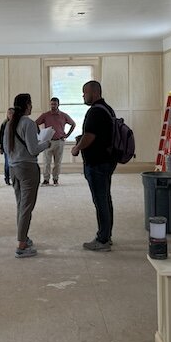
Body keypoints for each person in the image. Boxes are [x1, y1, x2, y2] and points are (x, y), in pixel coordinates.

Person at [71, 81, 117, 252]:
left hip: (97, 163)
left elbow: (90, 136)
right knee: (105, 198)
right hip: (107, 160)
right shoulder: (107, 108)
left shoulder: (95, 111)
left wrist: (77, 148)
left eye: (85, 92)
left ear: (95, 93)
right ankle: (107, 235)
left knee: (100, 201)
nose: (83, 95)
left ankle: (103, 239)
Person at [3, 93, 51, 258]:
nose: (32, 106)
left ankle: (23, 237)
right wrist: (46, 143)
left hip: (13, 167)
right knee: (26, 207)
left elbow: (6, 148)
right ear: (26, 105)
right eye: (30, 104)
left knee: (20, 205)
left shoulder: (9, 124)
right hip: (27, 168)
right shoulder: (28, 123)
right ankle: (21, 246)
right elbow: (33, 149)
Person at [35, 97, 76, 186]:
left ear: (58, 104)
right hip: (48, 141)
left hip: (59, 141)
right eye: (51, 104)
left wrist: (67, 135)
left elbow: (73, 124)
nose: (53, 106)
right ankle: (46, 180)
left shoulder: (64, 115)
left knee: (57, 162)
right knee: (46, 162)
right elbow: (35, 123)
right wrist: (40, 134)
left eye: (55, 104)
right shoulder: (45, 115)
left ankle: (55, 179)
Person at [0, 107, 15, 185]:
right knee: (7, 164)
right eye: (9, 113)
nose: (10, 115)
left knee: (15, 163)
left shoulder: (17, 123)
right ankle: (7, 178)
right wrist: (1, 147)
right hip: (6, 146)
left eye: (12, 113)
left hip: (16, 147)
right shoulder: (4, 124)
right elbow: (1, 136)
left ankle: (14, 178)